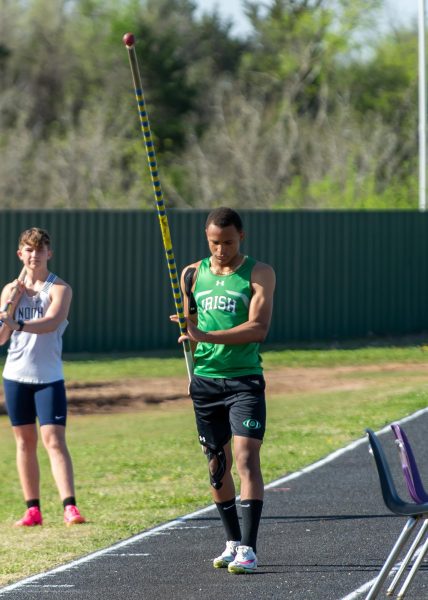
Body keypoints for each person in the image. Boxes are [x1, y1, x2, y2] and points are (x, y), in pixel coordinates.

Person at [170, 207, 276, 574]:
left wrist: (206, 335)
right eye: (214, 242)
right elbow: (192, 325)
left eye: (228, 242)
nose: (221, 249)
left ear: (241, 237)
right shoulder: (191, 274)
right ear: (206, 238)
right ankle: (232, 541)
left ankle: (249, 548)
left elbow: (258, 328)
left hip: (244, 380)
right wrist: (188, 326)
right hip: (205, 380)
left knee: (246, 458)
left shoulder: (259, 273)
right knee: (217, 466)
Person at [0, 227, 85, 527]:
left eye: (40, 249)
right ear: (19, 254)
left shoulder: (60, 288)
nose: (34, 255)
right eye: (28, 249)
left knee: (54, 440)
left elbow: (51, 323)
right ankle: (32, 509)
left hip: (48, 377)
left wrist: (17, 323)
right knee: (24, 442)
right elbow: (1, 336)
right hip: (15, 376)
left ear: (49, 253)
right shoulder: (10, 290)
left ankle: (69, 506)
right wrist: (10, 303)